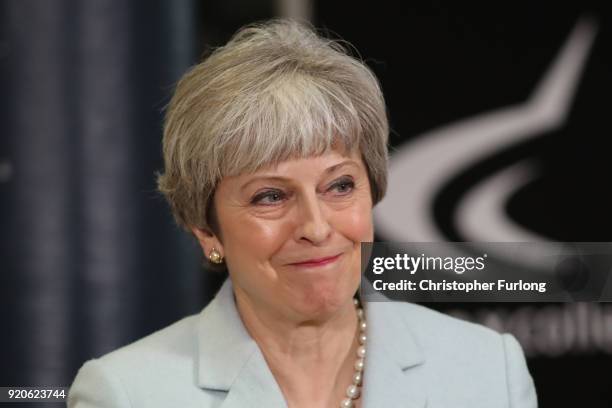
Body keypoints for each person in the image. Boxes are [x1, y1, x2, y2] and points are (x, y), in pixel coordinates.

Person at [68, 19, 538, 408]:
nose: (315, 227)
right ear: (206, 230)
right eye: (270, 196)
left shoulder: (487, 370)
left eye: (339, 186)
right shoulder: (125, 394)